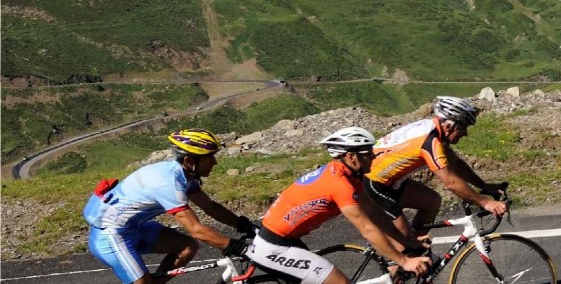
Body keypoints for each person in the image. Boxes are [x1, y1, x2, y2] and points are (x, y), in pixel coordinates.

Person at [249, 126, 430, 284]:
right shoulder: (339, 184)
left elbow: (375, 213)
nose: (373, 157)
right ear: (351, 157)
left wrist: (406, 241)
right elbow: (367, 229)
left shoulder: (350, 176)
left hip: (286, 240)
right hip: (273, 246)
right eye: (367, 154)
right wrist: (404, 262)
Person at [83, 129, 256, 284]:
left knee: (187, 247)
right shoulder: (167, 182)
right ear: (189, 161)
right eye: (209, 157)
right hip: (111, 235)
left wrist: (245, 225)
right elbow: (197, 230)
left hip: (135, 227)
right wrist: (240, 248)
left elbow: (210, 207)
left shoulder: (184, 175)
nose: (215, 162)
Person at [365, 96, 507, 242]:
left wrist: (484, 186)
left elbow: (455, 164)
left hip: (387, 180)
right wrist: (485, 203)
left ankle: (419, 252)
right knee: (405, 241)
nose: (465, 133)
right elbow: (450, 181)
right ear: (449, 126)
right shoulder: (429, 141)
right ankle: (406, 259)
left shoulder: (432, 129)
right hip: (373, 183)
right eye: (464, 127)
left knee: (431, 201)